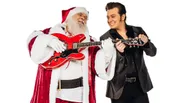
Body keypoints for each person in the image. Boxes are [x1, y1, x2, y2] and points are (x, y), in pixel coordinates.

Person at [27, 7, 116, 103]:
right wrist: (49, 40)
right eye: (80, 14)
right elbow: (33, 43)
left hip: (79, 97)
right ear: (68, 17)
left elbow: (98, 68)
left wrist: (107, 52)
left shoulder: (89, 42)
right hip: (53, 95)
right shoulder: (50, 33)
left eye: (86, 17)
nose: (83, 18)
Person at [100, 2, 157, 103]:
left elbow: (152, 53)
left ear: (123, 16)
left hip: (140, 86)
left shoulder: (138, 31)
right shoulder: (105, 38)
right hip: (119, 89)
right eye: (108, 17)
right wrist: (120, 53)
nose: (109, 20)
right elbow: (105, 65)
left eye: (113, 16)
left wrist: (146, 43)